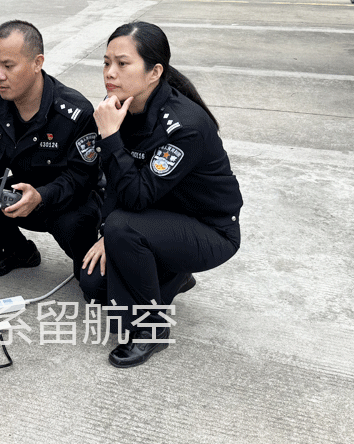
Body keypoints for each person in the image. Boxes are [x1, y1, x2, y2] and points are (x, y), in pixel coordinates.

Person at [80, 22, 243, 368]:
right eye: (106, 63)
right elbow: (115, 183)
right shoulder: (120, 107)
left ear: (154, 72)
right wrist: (105, 234)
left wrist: (111, 138)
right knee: (93, 286)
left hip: (210, 230)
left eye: (122, 64)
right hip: (161, 218)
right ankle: (175, 274)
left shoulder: (184, 126)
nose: (110, 73)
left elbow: (136, 198)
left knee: (123, 228)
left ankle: (151, 330)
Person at [0, 20, 101, 279]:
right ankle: (18, 253)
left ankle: (86, 262)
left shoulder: (74, 113)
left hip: (66, 203)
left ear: (37, 63)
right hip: (19, 197)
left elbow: (83, 177)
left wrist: (41, 196)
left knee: (92, 278)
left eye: (8, 66)